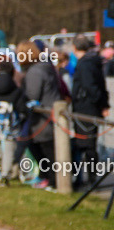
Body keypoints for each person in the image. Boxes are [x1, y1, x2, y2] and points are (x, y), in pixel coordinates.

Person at [18, 41, 62, 190]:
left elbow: (32, 95)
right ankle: (49, 178)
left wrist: (22, 102)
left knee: (46, 149)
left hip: (43, 117)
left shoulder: (35, 71)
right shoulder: (45, 67)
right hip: (47, 114)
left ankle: (54, 181)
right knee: (44, 148)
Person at [70, 35, 110, 187]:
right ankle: (90, 177)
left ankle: (90, 178)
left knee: (86, 145)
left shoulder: (85, 63)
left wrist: (100, 104)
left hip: (86, 108)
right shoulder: (93, 60)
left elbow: (91, 86)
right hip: (90, 106)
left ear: (75, 48)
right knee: (88, 144)